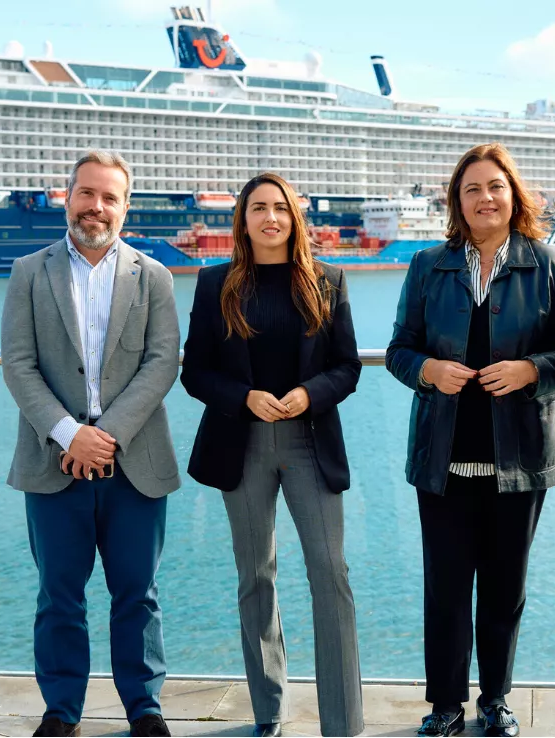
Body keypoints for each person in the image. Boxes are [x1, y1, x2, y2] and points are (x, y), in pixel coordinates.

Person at [386, 143, 555, 738]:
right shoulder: (427, 266)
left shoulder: (550, 264)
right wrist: (428, 370)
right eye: (472, 188)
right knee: (445, 588)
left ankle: (495, 700)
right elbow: (399, 350)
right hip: (442, 455)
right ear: (457, 200)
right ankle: (445, 705)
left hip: (519, 457)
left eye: (495, 186)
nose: (485, 198)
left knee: (505, 588)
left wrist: (531, 370)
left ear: (513, 195)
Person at [1, 150, 181, 738]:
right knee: (58, 594)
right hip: (52, 460)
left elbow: (162, 363)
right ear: (67, 197)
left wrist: (105, 437)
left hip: (134, 462)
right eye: (86, 193)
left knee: (138, 593)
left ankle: (144, 708)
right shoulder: (29, 272)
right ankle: (62, 711)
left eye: (109, 197)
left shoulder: (154, 276)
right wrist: (69, 434)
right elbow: (18, 365)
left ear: (125, 207)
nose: (95, 207)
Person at [181, 172, 364, 738]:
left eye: (280, 207)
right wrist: (244, 398)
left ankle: (343, 721)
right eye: (258, 207)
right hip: (241, 444)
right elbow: (195, 372)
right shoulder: (214, 284)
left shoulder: (328, 280)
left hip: (310, 441)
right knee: (255, 575)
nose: (271, 217)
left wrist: (310, 393)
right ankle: (269, 711)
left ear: (295, 217)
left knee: (330, 572)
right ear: (243, 218)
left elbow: (347, 366)